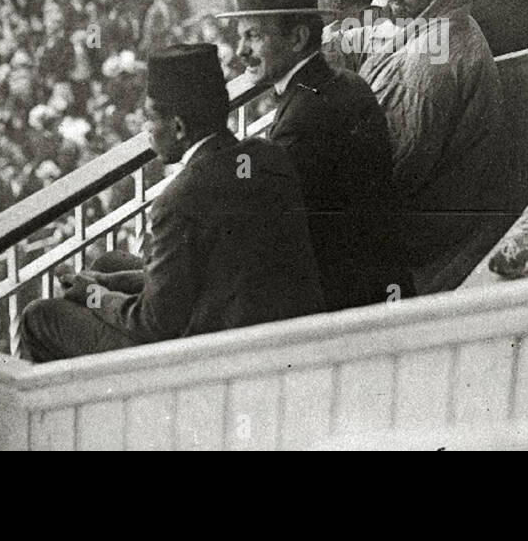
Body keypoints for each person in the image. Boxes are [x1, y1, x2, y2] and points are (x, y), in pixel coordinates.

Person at [17, 45, 324, 361]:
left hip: (211, 357)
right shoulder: (266, 155)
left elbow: (152, 322)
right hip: (275, 333)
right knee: (107, 263)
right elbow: (198, 277)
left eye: (149, 119)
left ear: (178, 127)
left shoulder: (178, 200)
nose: (145, 130)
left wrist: (94, 295)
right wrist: (106, 283)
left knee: (39, 316)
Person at [327, 0, 501, 293]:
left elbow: (388, 174)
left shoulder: (429, 63)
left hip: (427, 236)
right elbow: (353, 37)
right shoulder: (434, 21)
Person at [220, 0, 406, 311]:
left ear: (297, 38)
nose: (240, 51)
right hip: (378, 283)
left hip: (345, 306)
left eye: (253, 36)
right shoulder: (346, 83)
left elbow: (278, 235)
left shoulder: (303, 119)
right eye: (241, 37)